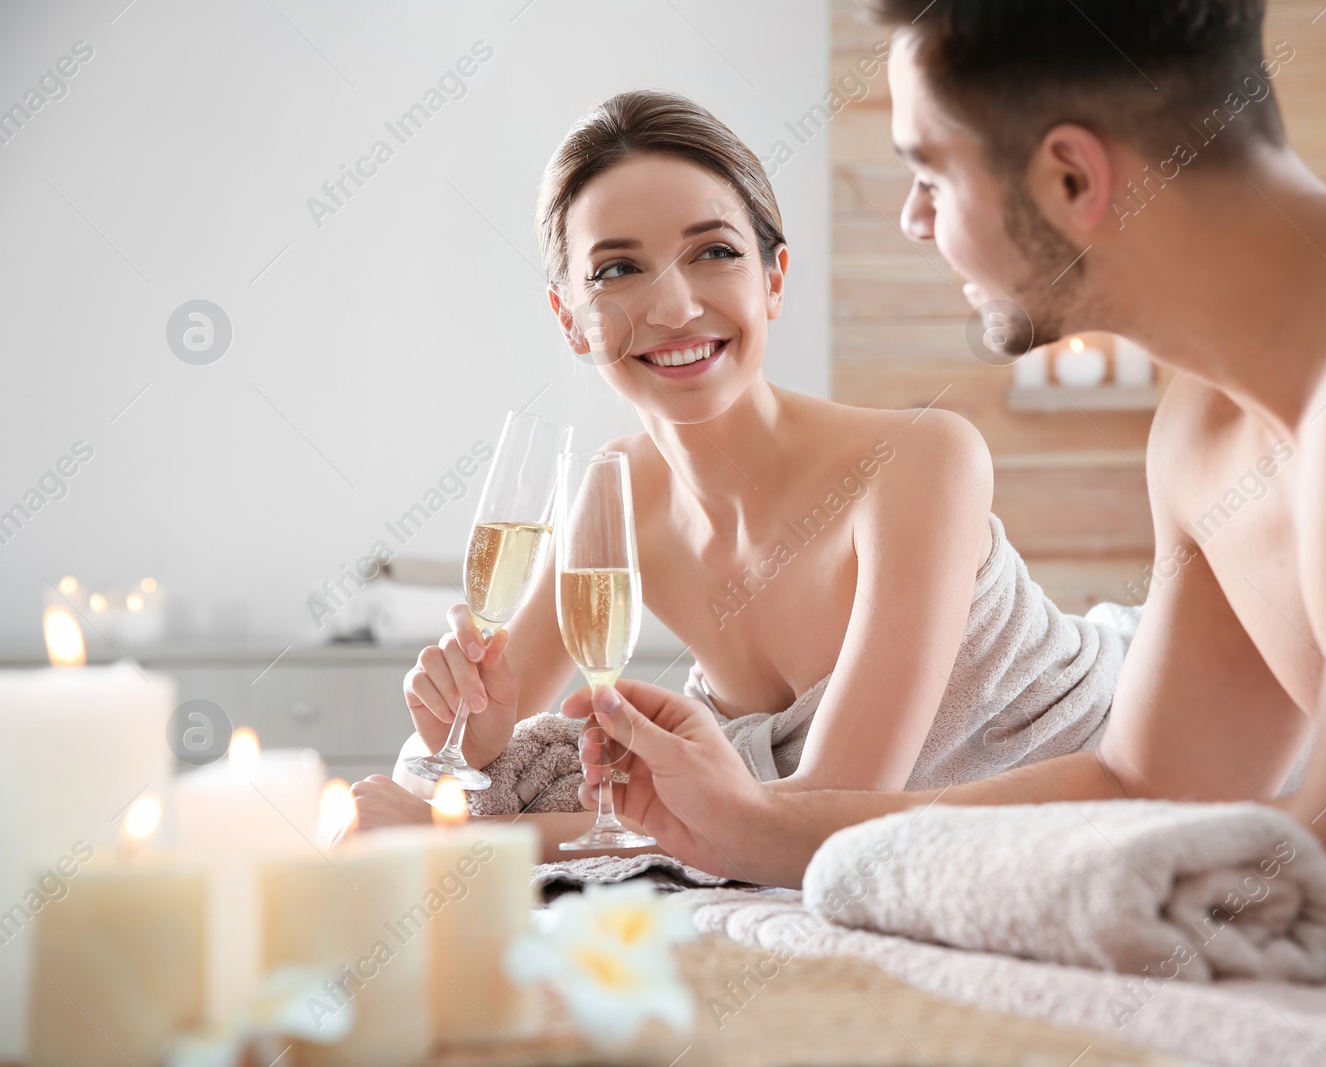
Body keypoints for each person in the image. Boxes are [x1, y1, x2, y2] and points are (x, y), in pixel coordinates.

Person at [554, 0, 1326, 991]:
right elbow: (1142, 784)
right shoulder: (1202, 435)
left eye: (929, 171)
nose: (915, 219)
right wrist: (743, 822)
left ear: (1067, 178)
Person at [351, 91, 1131, 846]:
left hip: (1108, 755)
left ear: (774, 279)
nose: (674, 308)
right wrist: (475, 731)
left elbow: (824, 811)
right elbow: (461, 748)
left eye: (715, 252)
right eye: (617, 270)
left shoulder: (924, 460)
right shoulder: (615, 495)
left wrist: (474, 838)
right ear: (571, 320)